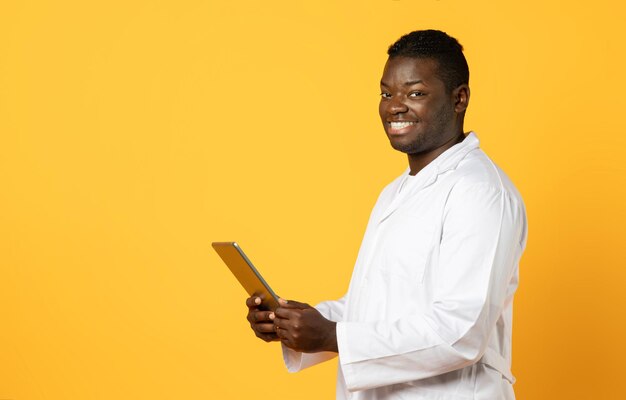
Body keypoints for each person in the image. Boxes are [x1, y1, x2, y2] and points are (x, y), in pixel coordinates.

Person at [246, 29, 527, 399]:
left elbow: (462, 332)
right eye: (386, 93)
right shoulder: (396, 192)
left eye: (415, 93)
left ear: (459, 99)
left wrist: (332, 335)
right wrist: (298, 322)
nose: (395, 106)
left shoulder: (480, 192)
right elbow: (377, 307)